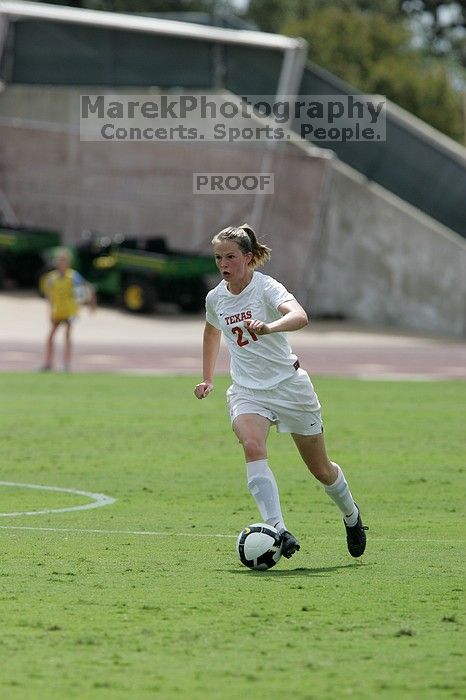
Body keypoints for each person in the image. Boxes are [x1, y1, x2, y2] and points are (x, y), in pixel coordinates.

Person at [194, 223, 367, 559]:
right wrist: (208, 378)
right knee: (252, 443)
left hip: (290, 388)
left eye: (230, 256)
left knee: (321, 471)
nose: (223, 264)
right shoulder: (215, 298)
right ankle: (279, 528)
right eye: (218, 258)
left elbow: (300, 316)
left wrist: (269, 326)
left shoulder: (267, 288)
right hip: (247, 391)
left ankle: (351, 514)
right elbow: (211, 333)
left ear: (246, 257)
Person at [41, 248, 96, 372]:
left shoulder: (73, 276)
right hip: (58, 310)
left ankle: (66, 364)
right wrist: (49, 311)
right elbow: (49, 296)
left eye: (64, 261)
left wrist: (91, 304)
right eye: (60, 261)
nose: (62, 263)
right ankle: (48, 363)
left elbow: (87, 289)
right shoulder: (51, 278)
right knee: (51, 336)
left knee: (67, 335)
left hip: (70, 310)